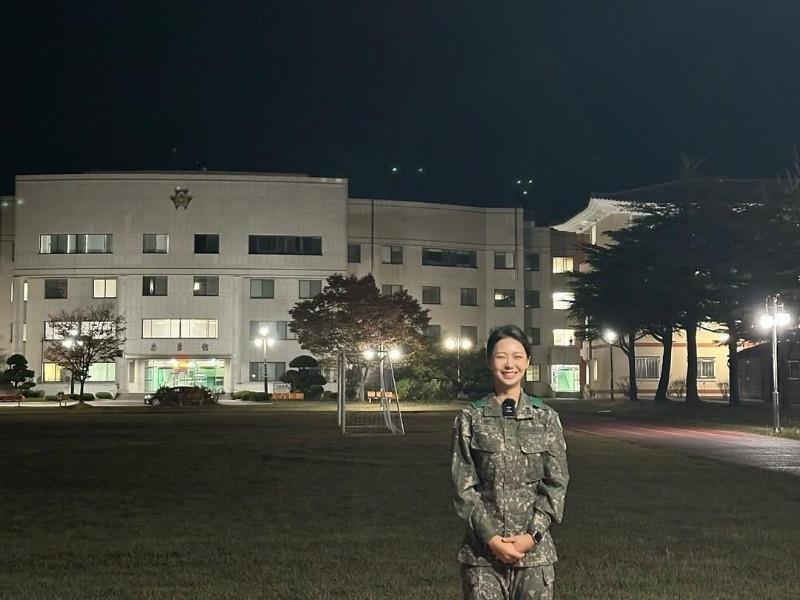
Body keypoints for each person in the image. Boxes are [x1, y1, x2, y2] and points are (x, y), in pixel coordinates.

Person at [451, 325, 570, 599]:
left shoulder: (545, 418)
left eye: (517, 356)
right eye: (501, 356)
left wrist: (532, 536)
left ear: (527, 362)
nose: (509, 364)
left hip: (534, 557)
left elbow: (556, 483)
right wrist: (491, 539)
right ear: (489, 361)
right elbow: (463, 487)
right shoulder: (470, 419)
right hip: (482, 558)